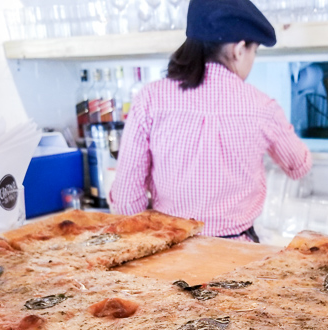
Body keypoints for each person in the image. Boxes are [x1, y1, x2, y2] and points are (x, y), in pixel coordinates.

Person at [109, 0, 312, 242]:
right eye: (254, 51)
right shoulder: (262, 106)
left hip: (170, 247)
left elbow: (126, 198)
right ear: (239, 49)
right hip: (237, 255)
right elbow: (298, 166)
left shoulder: (150, 99)